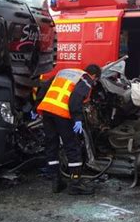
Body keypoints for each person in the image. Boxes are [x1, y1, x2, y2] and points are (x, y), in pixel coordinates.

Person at [36, 64, 102, 195]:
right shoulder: (86, 79)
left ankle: (56, 182)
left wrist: (36, 105)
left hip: (47, 111)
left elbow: (44, 87)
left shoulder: (64, 72)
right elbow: (75, 99)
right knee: (72, 146)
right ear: (94, 76)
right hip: (62, 113)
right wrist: (77, 118)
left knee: (51, 145)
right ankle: (75, 184)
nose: (93, 84)